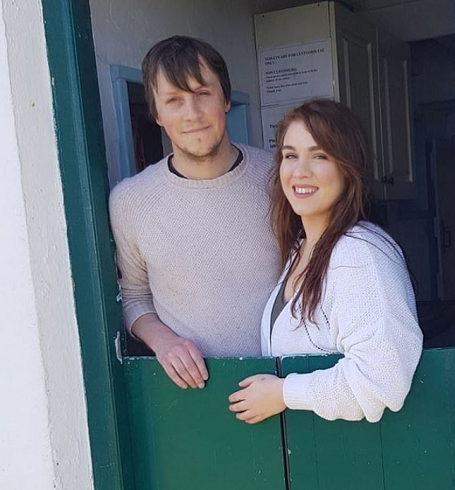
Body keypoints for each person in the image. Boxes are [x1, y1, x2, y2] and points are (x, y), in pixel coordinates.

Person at [228, 99, 423, 424]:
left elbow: (382, 379)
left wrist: (284, 393)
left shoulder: (359, 253)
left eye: (319, 156)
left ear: (348, 168)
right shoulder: (300, 249)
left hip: (349, 449)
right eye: (290, 155)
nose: (300, 171)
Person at [109, 36, 280, 390]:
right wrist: (164, 342)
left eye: (203, 93)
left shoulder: (280, 179)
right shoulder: (130, 201)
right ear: (157, 114)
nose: (192, 113)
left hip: (287, 381)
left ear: (226, 99)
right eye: (174, 100)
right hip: (195, 392)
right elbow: (134, 297)